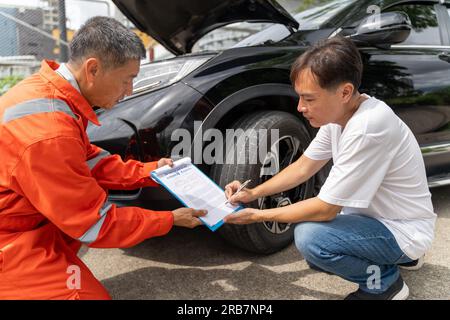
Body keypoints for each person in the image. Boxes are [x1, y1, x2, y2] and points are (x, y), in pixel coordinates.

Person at [0, 16, 206, 300]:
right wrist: (169, 219)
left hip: (29, 218)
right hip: (10, 240)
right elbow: (95, 223)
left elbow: (89, 161)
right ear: (93, 69)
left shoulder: (53, 97)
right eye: (127, 80)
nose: (129, 91)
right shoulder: (50, 130)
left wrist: (151, 170)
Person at [223, 36, 436, 300]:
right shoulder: (340, 117)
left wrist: (258, 216)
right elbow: (303, 168)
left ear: (345, 92)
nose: (300, 107)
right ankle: (397, 257)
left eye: (308, 99)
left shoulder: (367, 128)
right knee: (318, 253)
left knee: (311, 239)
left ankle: (385, 284)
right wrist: (253, 194)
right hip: (383, 221)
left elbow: (325, 210)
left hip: (403, 230)